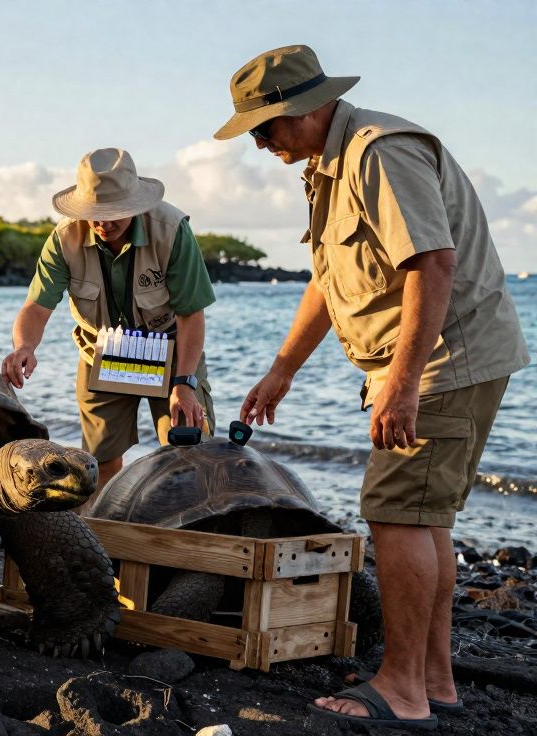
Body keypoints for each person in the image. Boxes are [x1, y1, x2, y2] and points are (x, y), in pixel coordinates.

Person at [216, 45, 529, 730]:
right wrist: (283, 369)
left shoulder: (378, 151)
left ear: (303, 107)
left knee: (396, 512)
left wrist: (404, 382)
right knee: (425, 516)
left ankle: (403, 690)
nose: (261, 143)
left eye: (265, 128)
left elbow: (432, 264)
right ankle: (434, 680)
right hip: (435, 360)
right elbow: (330, 280)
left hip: (444, 359)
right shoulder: (329, 166)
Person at [0, 148, 216, 509]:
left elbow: (192, 316)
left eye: (114, 213)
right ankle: (104, 540)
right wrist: (24, 346)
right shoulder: (63, 239)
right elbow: (36, 306)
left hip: (173, 352)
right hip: (101, 352)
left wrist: (184, 384)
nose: (104, 223)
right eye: (94, 214)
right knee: (97, 462)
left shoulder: (172, 231)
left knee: (188, 450)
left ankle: (185, 537)